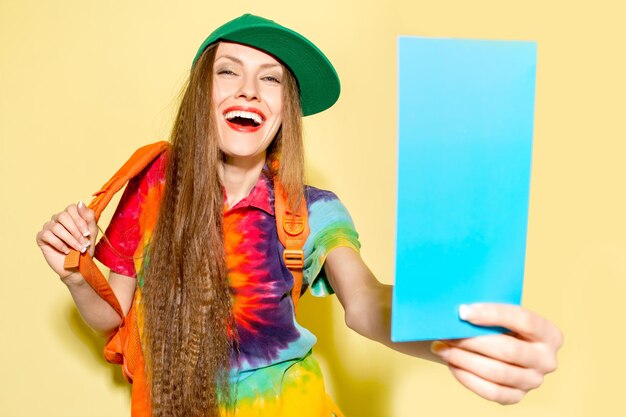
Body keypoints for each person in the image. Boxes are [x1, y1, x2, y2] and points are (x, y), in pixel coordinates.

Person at [35, 13, 563, 417]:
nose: (248, 89)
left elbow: (366, 304)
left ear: (284, 108)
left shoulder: (311, 209)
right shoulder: (152, 186)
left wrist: (454, 333)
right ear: (202, 93)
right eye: (228, 71)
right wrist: (75, 276)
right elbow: (116, 315)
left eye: (271, 80)